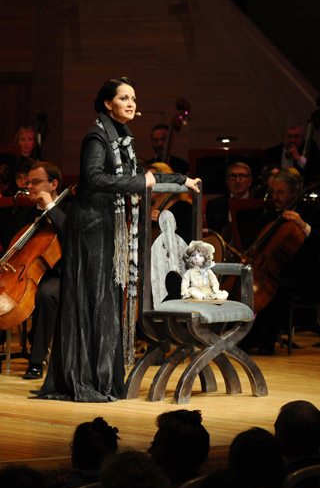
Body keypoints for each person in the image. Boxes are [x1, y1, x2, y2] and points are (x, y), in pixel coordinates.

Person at [35, 77, 199, 402]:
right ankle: (86, 378)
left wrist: (181, 179)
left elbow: (141, 173)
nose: (131, 103)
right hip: (92, 228)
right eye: (124, 98)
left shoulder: (123, 138)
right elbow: (94, 178)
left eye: (134, 98)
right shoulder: (97, 136)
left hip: (108, 227)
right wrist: (141, 182)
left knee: (107, 302)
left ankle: (103, 378)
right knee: (95, 300)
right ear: (108, 104)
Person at [0, 162, 66, 379]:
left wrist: (50, 208)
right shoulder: (23, 215)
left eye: (36, 182)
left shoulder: (69, 210)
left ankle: (37, 360)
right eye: (28, 183)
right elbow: (8, 247)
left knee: (46, 294)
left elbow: (71, 235)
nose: (30, 187)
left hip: (57, 273)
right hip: (21, 272)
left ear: (53, 184)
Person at [240, 168, 320, 355]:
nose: (275, 197)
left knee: (278, 288)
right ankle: (248, 334)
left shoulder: (313, 213)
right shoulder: (273, 214)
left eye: (281, 192)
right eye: (273, 192)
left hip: (305, 276)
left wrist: (302, 225)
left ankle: (265, 339)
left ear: (295, 192)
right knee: (247, 283)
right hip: (277, 270)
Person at [263, 121, 320, 185]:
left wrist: (299, 159)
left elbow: (319, 173)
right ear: (282, 137)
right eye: (289, 136)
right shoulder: (271, 153)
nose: (292, 140)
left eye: (296, 136)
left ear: (302, 138)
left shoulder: (310, 149)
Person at [204, 161, 253, 235]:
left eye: (242, 176)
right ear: (227, 181)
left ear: (250, 181)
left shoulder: (259, 203)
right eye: (233, 176)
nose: (237, 180)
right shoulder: (214, 205)